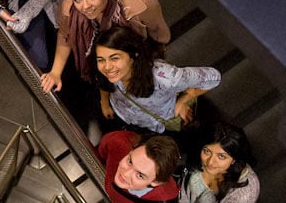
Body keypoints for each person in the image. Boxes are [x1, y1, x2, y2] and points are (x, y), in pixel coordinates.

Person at [40, 0, 171, 132]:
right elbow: (65, 36)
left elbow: (159, 34)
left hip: (136, 53)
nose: (85, 6)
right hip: (98, 60)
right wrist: (55, 72)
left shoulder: (139, 5)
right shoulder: (69, 9)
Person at [93, 26, 221, 133]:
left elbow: (213, 77)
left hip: (156, 125)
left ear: (133, 55)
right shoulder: (108, 72)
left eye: (115, 58)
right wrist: (104, 104)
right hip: (119, 113)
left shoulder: (165, 77)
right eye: (101, 60)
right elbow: (103, 83)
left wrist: (185, 99)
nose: (107, 67)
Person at [97, 130, 182, 203]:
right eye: (130, 161)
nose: (125, 174)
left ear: (156, 182)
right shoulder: (119, 142)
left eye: (140, 175)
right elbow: (105, 145)